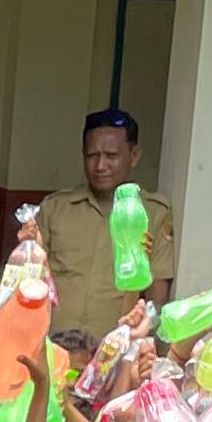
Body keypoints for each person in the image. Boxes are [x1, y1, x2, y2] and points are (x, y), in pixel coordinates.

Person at [35, 110, 174, 332]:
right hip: (54, 349)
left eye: (111, 155)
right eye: (92, 155)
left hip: (113, 352)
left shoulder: (152, 214)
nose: (100, 166)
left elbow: (156, 302)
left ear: (134, 155)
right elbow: (31, 279)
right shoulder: (55, 209)